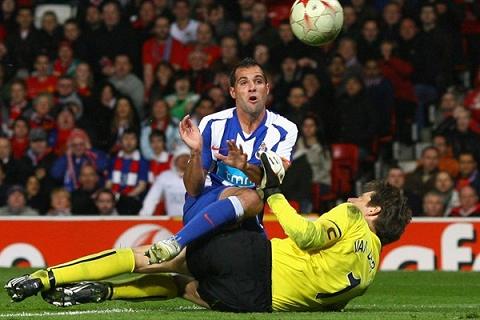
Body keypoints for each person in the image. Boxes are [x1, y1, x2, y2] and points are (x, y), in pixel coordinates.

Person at [5, 153, 411, 313]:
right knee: (182, 286)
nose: (353, 197)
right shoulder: (371, 270)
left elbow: (305, 236)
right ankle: (108, 293)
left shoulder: (353, 217)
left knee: (152, 256)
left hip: (254, 260)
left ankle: (46, 276)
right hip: (253, 302)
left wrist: (275, 195)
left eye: (362, 196)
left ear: (373, 208)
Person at [145, 58, 297, 263]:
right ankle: (176, 241)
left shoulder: (285, 130)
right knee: (252, 197)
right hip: (205, 206)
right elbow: (192, 189)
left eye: (258, 81)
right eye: (244, 82)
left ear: (267, 89)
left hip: (248, 217)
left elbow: (272, 181)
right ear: (233, 92)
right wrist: (196, 152)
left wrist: (244, 167)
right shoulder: (213, 124)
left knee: (245, 279)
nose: (252, 87)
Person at [139, 147, 188, 216]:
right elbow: (152, 197)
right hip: (171, 221)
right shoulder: (165, 176)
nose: (185, 159)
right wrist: (144, 215)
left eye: (187, 157)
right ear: (175, 160)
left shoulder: (199, 177)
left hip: (193, 222)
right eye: (181, 157)